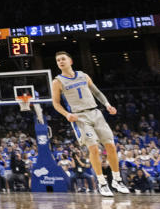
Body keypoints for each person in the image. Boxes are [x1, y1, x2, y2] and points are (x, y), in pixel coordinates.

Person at [51, 51, 130, 197]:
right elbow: (55, 103)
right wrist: (67, 114)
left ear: (70, 61)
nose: (60, 62)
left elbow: (97, 92)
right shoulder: (57, 81)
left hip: (95, 113)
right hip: (79, 116)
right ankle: (102, 183)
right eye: (58, 60)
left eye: (63, 59)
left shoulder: (83, 75)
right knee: (94, 149)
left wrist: (107, 105)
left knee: (111, 146)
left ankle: (117, 180)